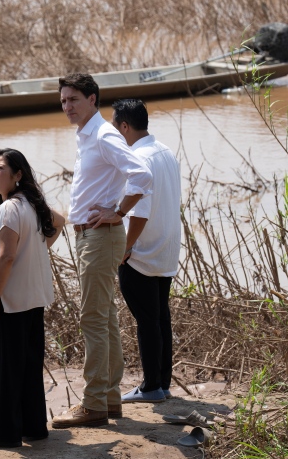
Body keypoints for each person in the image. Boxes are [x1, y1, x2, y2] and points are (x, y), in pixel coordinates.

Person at [51, 74, 152, 428]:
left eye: (74, 99)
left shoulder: (104, 134)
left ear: (92, 99)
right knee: (104, 318)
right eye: (63, 101)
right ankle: (108, 399)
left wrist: (118, 212)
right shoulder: (88, 135)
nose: (67, 107)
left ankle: (93, 402)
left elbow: (141, 174)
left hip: (99, 236)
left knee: (93, 318)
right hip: (92, 236)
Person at [0, 148, 65, 446]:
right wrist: (38, 250)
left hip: (8, 300)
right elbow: (59, 220)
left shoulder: (9, 208)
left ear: (18, 175)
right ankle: (34, 428)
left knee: (6, 368)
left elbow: (6, 258)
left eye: (0, 168)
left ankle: (5, 434)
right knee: (27, 365)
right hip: (33, 298)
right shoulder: (31, 203)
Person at [103, 99, 181, 403]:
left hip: (142, 254)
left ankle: (151, 388)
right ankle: (161, 382)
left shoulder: (137, 159)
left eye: (114, 127)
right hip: (166, 249)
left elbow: (139, 213)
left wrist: (125, 249)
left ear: (124, 127)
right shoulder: (165, 151)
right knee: (160, 318)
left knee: (148, 321)